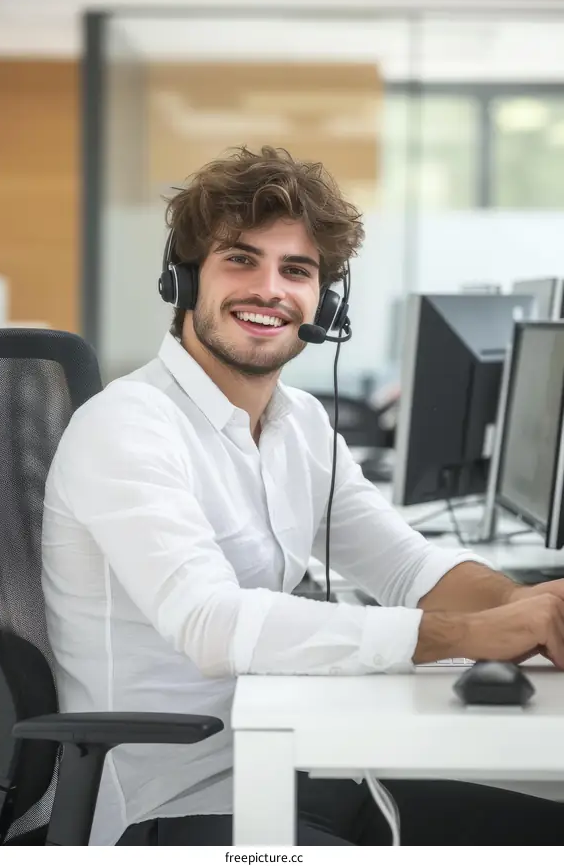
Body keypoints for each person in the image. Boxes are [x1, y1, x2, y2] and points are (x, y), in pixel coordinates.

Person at [42, 146, 564, 846]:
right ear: (184, 279)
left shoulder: (302, 426)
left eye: (297, 270)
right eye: (241, 259)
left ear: (326, 300)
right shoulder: (126, 426)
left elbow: (405, 568)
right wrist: (467, 636)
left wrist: (530, 607)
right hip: (168, 809)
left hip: (291, 764)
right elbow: (212, 623)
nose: (270, 289)